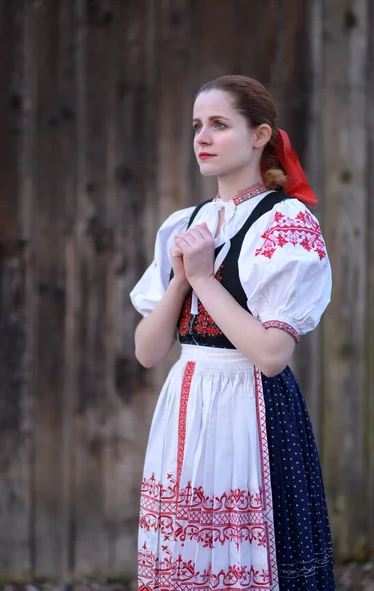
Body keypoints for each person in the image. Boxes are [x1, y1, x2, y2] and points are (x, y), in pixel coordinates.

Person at [130, 75, 335, 590]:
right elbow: (148, 352)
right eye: (198, 125)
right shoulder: (185, 223)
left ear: (261, 134)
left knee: (247, 562)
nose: (202, 137)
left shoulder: (284, 223)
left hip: (252, 409)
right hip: (187, 402)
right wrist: (182, 276)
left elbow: (271, 355)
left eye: (219, 125)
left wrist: (203, 276)